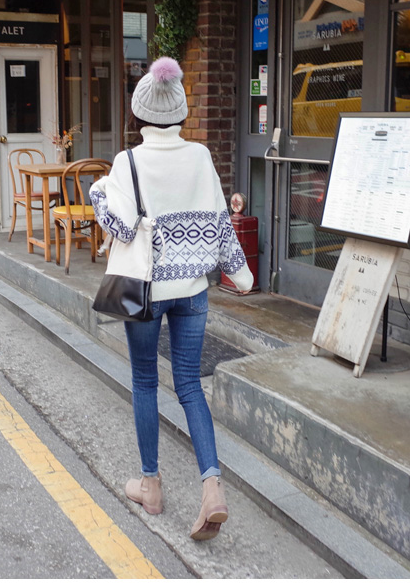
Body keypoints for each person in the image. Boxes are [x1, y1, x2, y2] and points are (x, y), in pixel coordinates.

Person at [90, 57, 253, 541]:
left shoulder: (128, 162)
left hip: (145, 291)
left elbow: (119, 227)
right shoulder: (200, 156)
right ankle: (212, 489)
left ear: (139, 115)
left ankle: (151, 486)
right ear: (181, 113)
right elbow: (220, 224)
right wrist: (241, 274)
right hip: (193, 292)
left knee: (145, 381)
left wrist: (99, 192)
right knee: (189, 386)